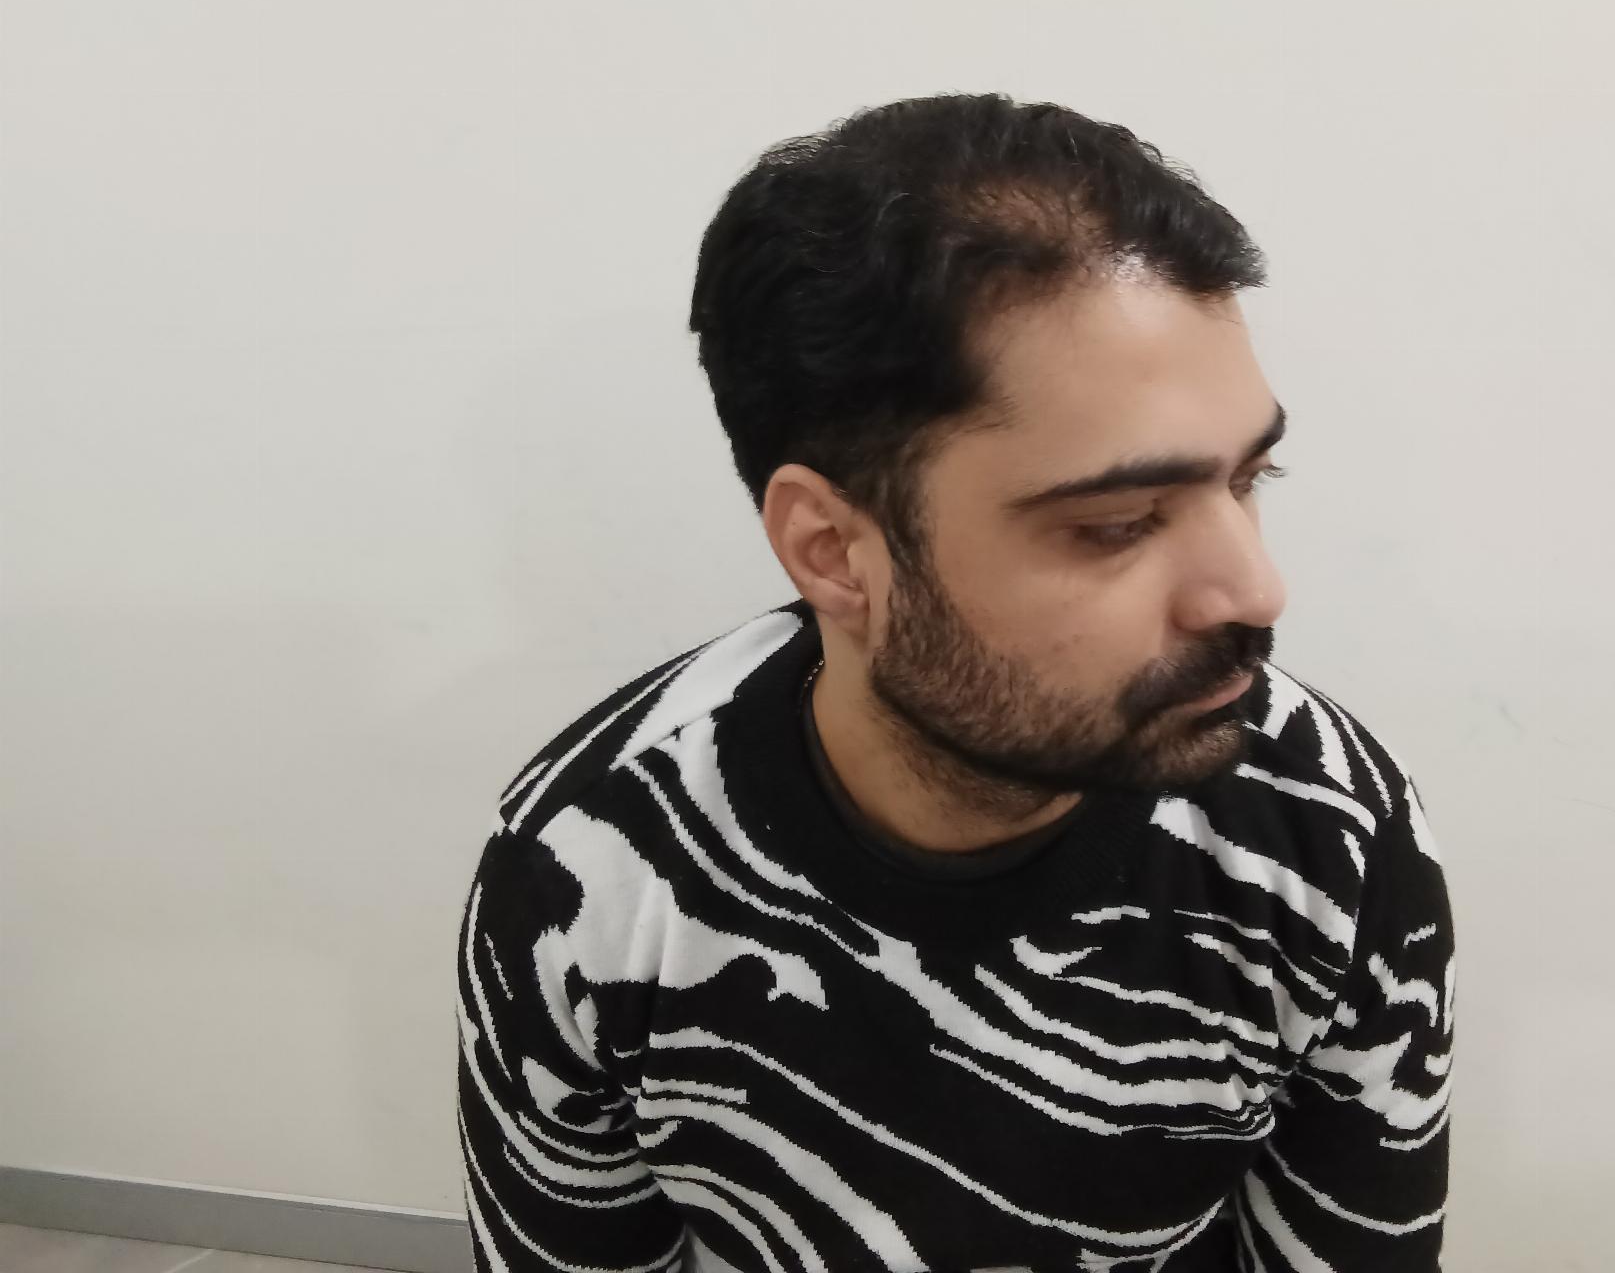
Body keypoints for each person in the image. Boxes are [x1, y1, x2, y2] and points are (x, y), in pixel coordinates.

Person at [454, 92, 1455, 1272]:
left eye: (1248, 481)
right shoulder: (594, 872)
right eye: (1120, 523)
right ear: (834, 552)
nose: (1254, 590)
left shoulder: (1323, 831)